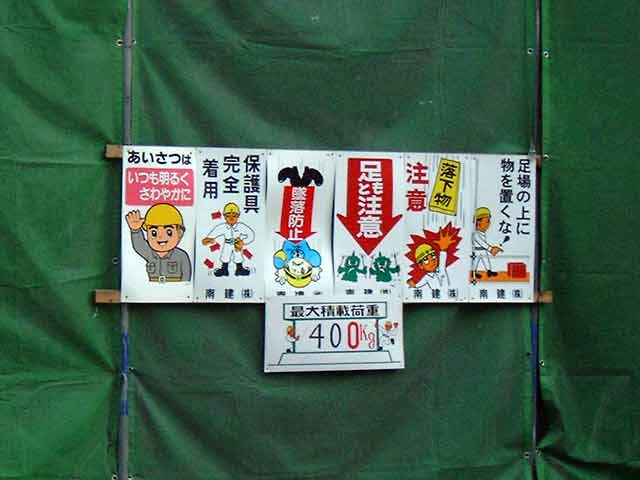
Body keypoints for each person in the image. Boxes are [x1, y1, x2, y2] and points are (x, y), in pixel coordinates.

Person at [125, 203, 192, 282]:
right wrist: (135, 230)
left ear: (179, 233)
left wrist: (183, 287)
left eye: (169, 232)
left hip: (175, 286)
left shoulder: (181, 255)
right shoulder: (149, 253)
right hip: (153, 286)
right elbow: (139, 245)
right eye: (154, 233)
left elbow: (186, 274)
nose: (161, 237)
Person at [201, 202, 255, 277]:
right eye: (228, 216)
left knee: (238, 256)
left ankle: (239, 269)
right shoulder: (223, 227)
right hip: (227, 243)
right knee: (225, 256)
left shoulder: (241, 226)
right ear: (225, 217)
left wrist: (243, 242)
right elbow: (216, 231)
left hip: (237, 244)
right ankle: (224, 270)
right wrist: (209, 238)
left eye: (234, 216)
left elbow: (251, 235)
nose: (231, 218)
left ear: (238, 216)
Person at [472, 207, 502, 278]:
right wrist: (491, 249)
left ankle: (489, 271)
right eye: (487, 221)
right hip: (476, 250)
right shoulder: (475, 234)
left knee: (486, 260)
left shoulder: (482, 233)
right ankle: (474, 272)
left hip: (483, 250)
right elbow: (482, 243)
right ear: (478, 222)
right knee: (475, 262)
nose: (489, 224)